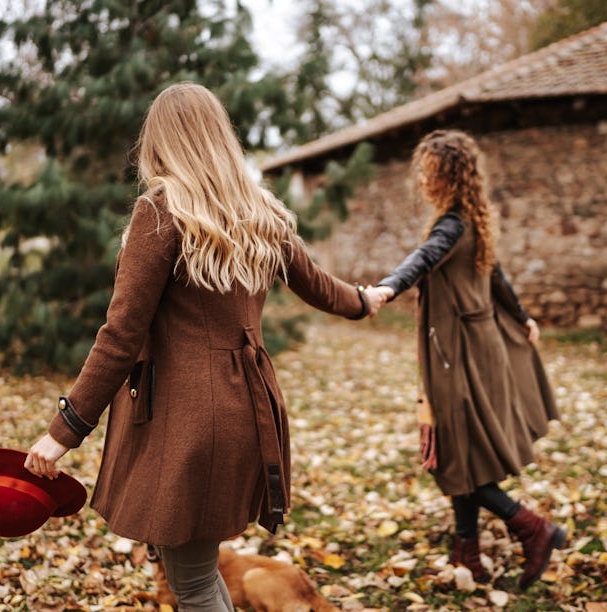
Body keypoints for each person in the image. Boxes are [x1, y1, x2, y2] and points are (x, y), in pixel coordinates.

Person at [23, 82, 386, 610]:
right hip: (247, 409)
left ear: (161, 142)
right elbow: (324, 288)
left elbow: (120, 335)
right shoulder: (261, 214)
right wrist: (364, 299)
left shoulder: (162, 212)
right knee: (192, 569)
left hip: (188, 420)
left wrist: (66, 430)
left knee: (191, 580)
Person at [365, 130, 565, 590]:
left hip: (459, 356)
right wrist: (522, 316)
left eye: (427, 169)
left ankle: (534, 528)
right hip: (477, 348)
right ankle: (467, 553)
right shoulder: (473, 220)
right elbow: (499, 278)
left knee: (454, 456)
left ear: (446, 175)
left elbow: (423, 258)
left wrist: (386, 287)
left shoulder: (452, 225)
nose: (421, 178)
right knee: (466, 454)